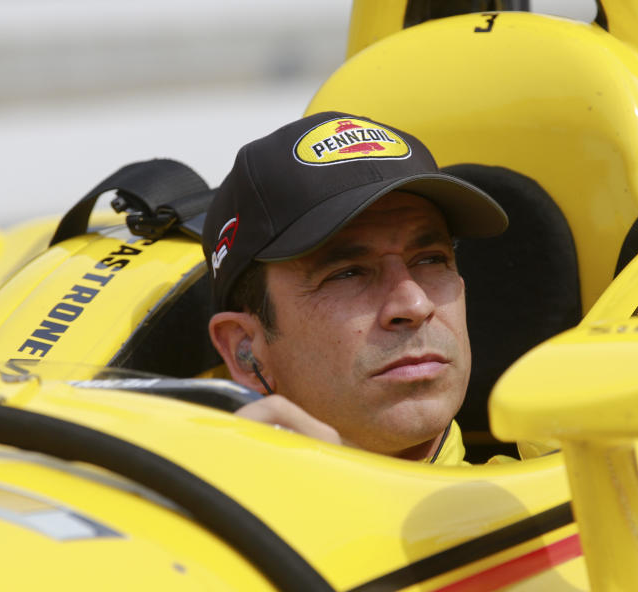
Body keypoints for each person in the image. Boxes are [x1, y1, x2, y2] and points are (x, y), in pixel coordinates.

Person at [203, 111, 508, 464]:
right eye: (347, 273)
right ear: (247, 350)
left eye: (430, 259)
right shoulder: (169, 511)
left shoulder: (574, 491)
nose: (414, 304)